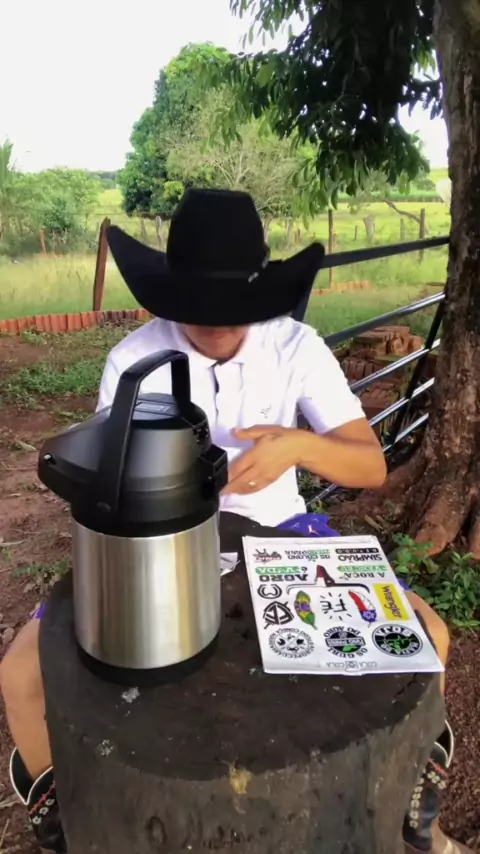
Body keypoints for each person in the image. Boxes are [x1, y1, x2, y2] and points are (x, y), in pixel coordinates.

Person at [0, 189, 468, 854]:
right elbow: (104, 482)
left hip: (284, 534)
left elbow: (368, 465)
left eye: (230, 309)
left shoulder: (295, 347)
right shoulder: (134, 361)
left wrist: (296, 445)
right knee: (21, 671)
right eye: (197, 307)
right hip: (152, 546)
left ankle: (416, 818)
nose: (214, 325)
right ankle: (66, 825)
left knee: (429, 633)